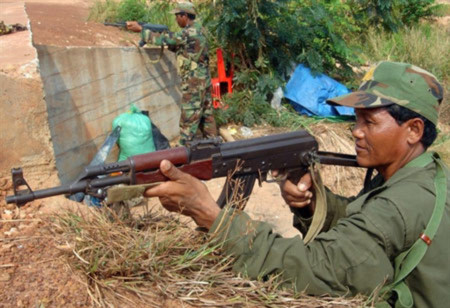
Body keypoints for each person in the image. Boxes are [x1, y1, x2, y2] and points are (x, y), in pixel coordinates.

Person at [143, 61, 449, 307]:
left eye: (369, 122)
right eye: (356, 120)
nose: (356, 132)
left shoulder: (403, 201)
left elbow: (317, 269)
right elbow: (368, 227)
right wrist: (313, 204)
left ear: (414, 130)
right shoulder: (420, 175)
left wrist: (212, 216)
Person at [126, 2, 218, 146]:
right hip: (204, 80)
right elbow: (188, 48)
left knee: (188, 117)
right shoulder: (201, 30)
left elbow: (163, 40)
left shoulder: (187, 33)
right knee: (207, 115)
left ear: (185, 16)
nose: (176, 19)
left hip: (194, 83)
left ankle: (184, 150)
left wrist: (141, 30)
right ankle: (214, 145)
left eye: (177, 16)